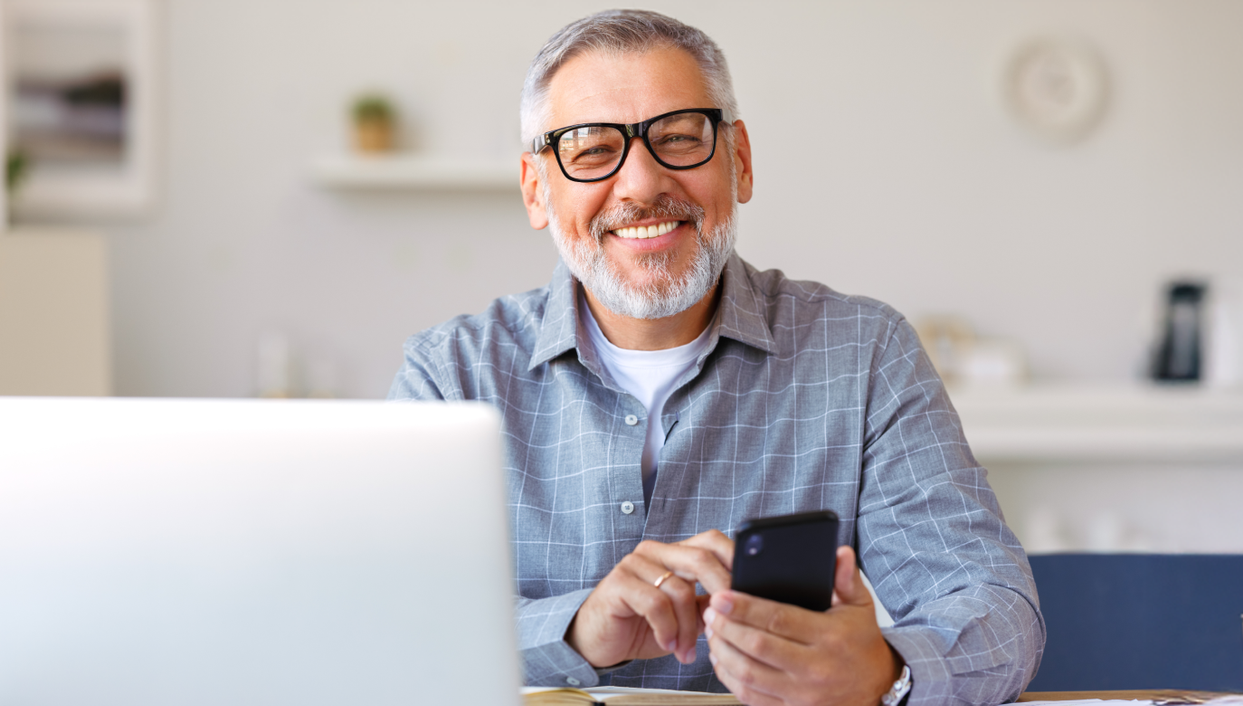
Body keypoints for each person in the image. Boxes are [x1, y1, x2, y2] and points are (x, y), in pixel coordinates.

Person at [388, 9, 1043, 706]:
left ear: (740, 162)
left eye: (677, 137)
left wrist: (886, 671)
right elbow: (388, 621)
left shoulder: (866, 353)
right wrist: (574, 631)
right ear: (536, 189)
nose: (640, 184)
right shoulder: (448, 375)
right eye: (589, 148)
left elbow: (997, 611)